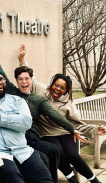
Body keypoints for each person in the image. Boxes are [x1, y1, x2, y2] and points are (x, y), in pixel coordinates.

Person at [0, 32, 86, 183]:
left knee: (53, 150)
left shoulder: (38, 99)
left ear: (31, 80)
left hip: (32, 137)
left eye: (27, 79)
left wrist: (71, 129)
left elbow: (54, 114)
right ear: (16, 82)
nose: (24, 82)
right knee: (38, 158)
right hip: (16, 136)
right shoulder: (12, 92)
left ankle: (52, 180)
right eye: (20, 79)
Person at [18, 44, 106, 183]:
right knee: (58, 152)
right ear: (52, 84)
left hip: (65, 132)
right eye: (56, 85)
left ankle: (95, 181)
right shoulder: (42, 91)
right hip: (47, 133)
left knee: (73, 155)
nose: (58, 89)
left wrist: (94, 129)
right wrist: (22, 58)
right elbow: (31, 78)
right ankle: (72, 180)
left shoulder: (68, 104)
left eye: (62, 88)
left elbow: (77, 124)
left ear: (66, 91)